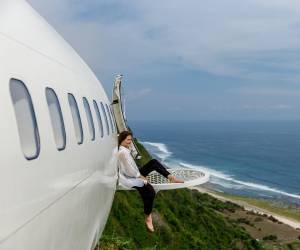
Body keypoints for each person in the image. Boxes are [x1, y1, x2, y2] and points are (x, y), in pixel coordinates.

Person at [118, 130, 183, 232]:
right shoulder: (122, 152)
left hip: (134, 173)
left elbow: (131, 167)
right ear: (121, 140)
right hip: (130, 177)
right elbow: (128, 170)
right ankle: (148, 217)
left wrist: (139, 174)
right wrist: (140, 177)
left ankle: (171, 177)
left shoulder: (125, 149)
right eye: (127, 140)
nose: (130, 142)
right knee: (150, 192)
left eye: (130, 140)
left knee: (154, 162)